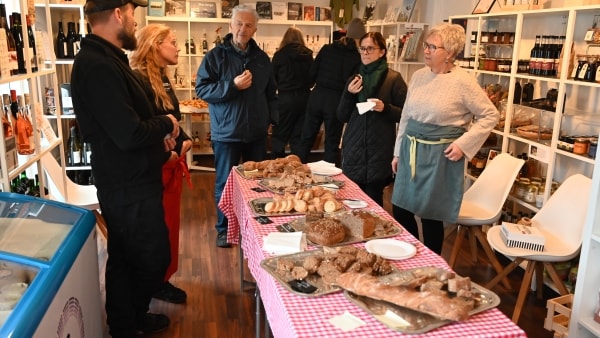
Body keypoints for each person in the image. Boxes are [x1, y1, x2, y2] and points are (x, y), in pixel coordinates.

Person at [71, 0, 180, 336]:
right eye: (133, 14)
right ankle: (125, 322)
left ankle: (129, 319)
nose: (135, 21)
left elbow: (129, 123)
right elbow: (128, 133)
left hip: (131, 180)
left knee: (126, 256)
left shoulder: (108, 60)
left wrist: (155, 139)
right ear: (118, 14)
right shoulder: (97, 65)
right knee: (150, 257)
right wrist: (166, 123)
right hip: (126, 185)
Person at [390, 22, 499, 255]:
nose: (426, 50)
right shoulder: (419, 76)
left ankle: (431, 264)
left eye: (432, 46)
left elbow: (490, 115)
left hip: (441, 155)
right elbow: (407, 116)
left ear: (449, 52)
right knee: (400, 207)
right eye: (426, 45)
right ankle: (412, 253)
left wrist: (463, 145)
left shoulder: (463, 81)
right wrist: (398, 151)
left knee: (431, 215)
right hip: (412, 149)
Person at [195, 4, 277, 248]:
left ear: (255, 29)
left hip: (256, 133)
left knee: (257, 184)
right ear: (231, 25)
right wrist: (232, 86)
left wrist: (271, 121)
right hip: (226, 133)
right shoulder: (215, 56)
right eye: (239, 23)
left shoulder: (262, 59)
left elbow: (271, 94)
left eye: (248, 25)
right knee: (225, 184)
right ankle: (224, 228)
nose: (243, 28)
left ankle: (255, 226)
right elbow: (202, 90)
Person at [130, 23, 193, 304]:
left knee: (169, 227)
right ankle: (153, 284)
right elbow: (144, 128)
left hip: (171, 163)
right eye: (172, 41)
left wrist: (184, 142)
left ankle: (162, 280)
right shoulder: (139, 80)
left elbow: (173, 118)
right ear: (156, 44)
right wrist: (170, 150)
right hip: (157, 167)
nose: (178, 47)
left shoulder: (162, 77)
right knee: (158, 231)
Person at [337, 31, 407, 206]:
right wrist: (348, 94)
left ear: (382, 52)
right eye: (362, 48)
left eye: (370, 48)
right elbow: (342, 115)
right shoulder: (354, 79)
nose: (365, 53)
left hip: (379, 150)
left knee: (374, 205)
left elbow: (406, 115)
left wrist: (385, 108)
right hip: (354, 149)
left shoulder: (393, 79)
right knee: (351, 203)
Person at [296, 17, 365, 165]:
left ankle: (296, 171)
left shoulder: (327, 49)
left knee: (306, 138)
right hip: (336, 101)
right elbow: (352, 84)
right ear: (360, 38)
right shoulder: (357, 57)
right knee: (332, 143)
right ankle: (329, 181)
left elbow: (311, 74)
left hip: (317, 96)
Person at [270, 26, 313, 159]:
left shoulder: (280, 55)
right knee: (299, 137)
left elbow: (272, 79)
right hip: (305, 99)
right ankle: (298, 168)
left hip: (285, 99)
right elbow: (312, 78)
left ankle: (277, 168)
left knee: (279, 136)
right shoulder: (308, 55)